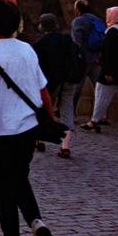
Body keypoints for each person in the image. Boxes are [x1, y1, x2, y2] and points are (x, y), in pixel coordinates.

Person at [0, 0, 58, 236]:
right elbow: (43, 90)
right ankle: (37, 223)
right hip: (28, 128)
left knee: (4, 187)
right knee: (20, 179)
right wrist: (50, 119)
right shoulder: (27, 50)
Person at [82, 6, 118, 134]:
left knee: (101, 94)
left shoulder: (112, 31)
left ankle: (94, 121)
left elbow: (109, 53)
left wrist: (108, 70)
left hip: (112, 70)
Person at [33, 13, 78, 157]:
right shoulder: (67, 39)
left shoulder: (40, 43)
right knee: (67, 111)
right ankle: (65, 146)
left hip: (49, 82)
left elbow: (37, 67)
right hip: (68, 79)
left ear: (42, 26)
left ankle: (40, 140)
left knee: (44, 110)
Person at [71, 0, 103, 117]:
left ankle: (72, 113)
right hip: (96, 58)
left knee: (76, 88)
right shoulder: (96, 19)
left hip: (83, 59)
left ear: (77, 9)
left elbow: (76, 42)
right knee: (99, 88)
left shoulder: (78, 21)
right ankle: (100, 116)